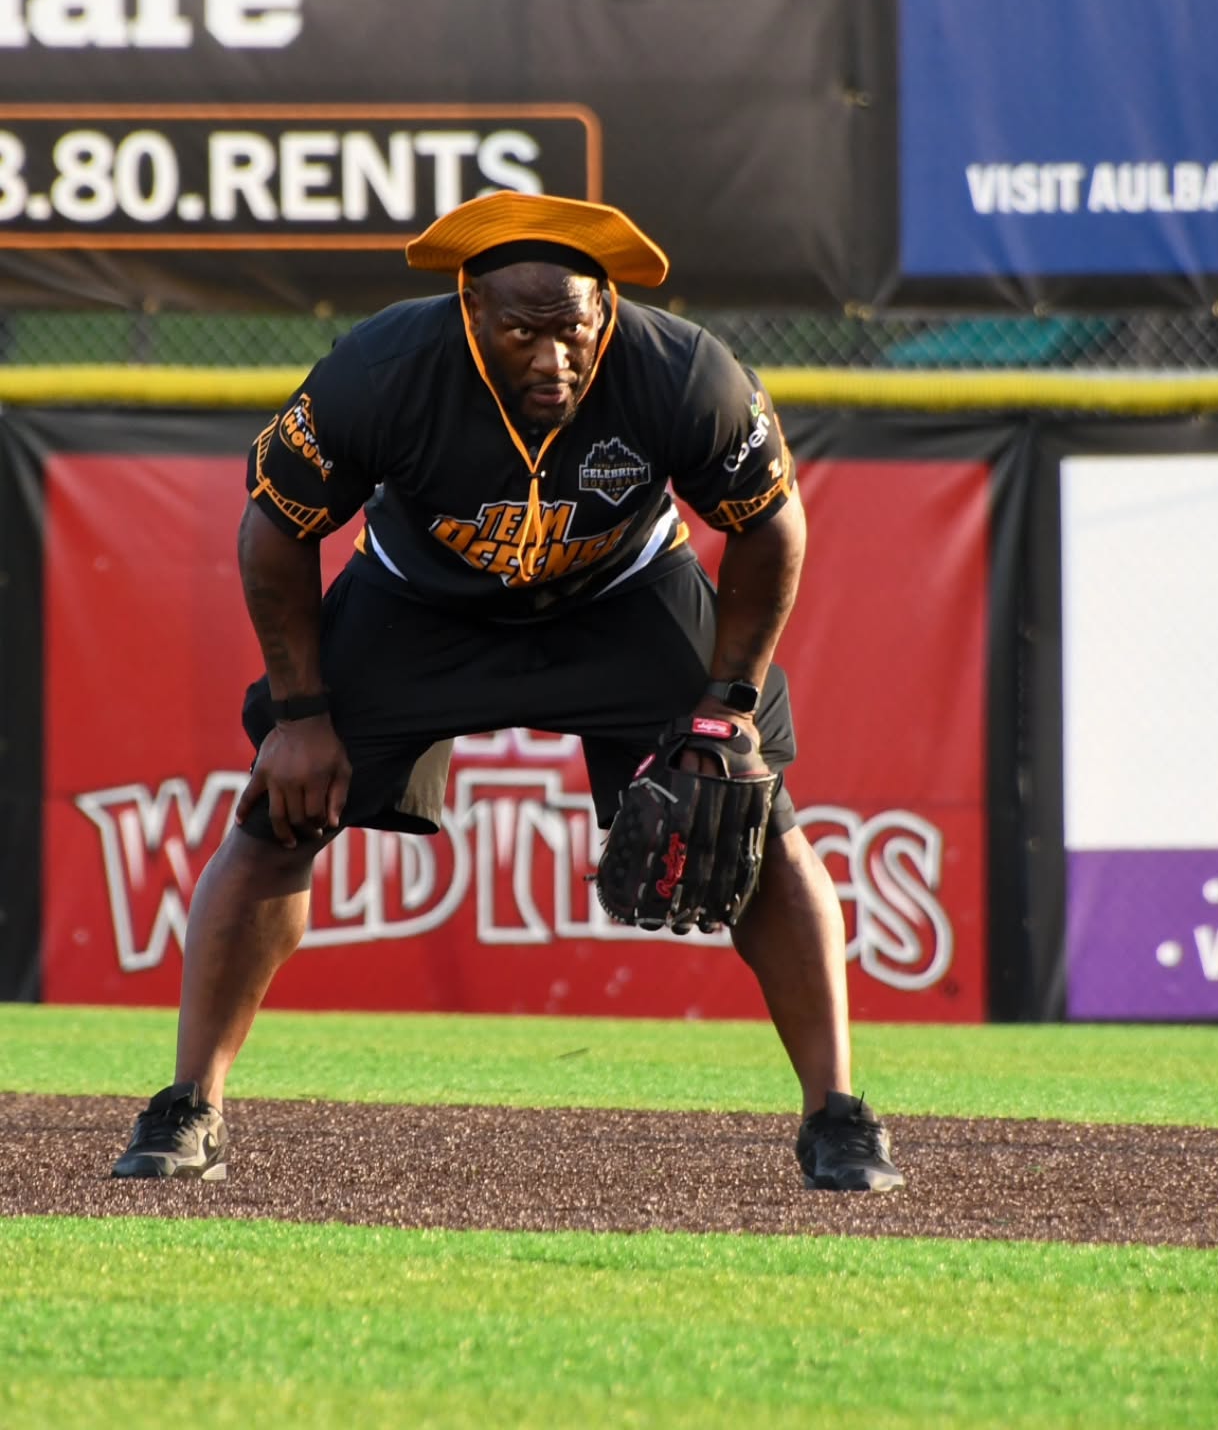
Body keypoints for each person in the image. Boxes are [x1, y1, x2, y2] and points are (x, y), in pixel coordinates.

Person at [110, 191, 904, 1193]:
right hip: (421, 602)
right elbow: (273, 530)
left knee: (755, 821)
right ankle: (190, 1106)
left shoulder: (683, 372)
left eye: (572, 328)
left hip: (622, 595)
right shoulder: (384, 369)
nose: (554, 358)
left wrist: (727, 707)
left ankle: (839, 1115)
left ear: (606, 310)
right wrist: (302, 715)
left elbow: (773, 527)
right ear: (469, 310)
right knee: (277, 816)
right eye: (523, 331)